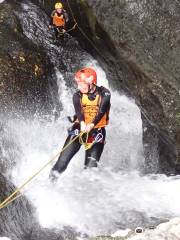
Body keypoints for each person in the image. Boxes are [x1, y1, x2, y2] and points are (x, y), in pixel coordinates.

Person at [50, 67, 111, 181]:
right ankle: (50, 184)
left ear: (91, 83)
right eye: (78, 84)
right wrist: (82, 123)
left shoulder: (105, 93)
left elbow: (101, 111)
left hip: (97, 133)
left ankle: (87, 195)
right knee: (61, 164)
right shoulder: (77, 95)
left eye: (81, 84)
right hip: (79, 130)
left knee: (90, 172)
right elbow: (79, 112)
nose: (78, 87)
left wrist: (92, 124)